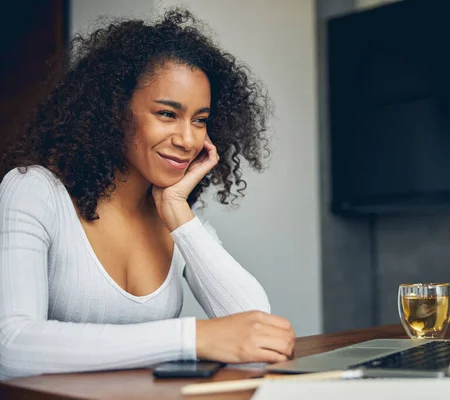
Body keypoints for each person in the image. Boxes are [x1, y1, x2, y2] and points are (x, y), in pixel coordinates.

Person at [0, 9, 295, 380]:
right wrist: (191, 337)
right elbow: (11, 346)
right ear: (114, 111)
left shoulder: (177, 221)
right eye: (167, 114)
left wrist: (176, 210)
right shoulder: (34, 191)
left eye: (199, 120)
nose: (188, 139)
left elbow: (258, 332)